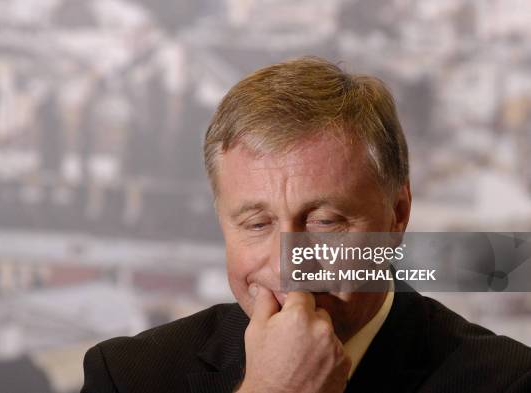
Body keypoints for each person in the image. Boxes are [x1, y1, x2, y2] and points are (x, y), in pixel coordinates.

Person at [80, 57, 531, 393]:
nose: (289, 264)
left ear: (398, 215)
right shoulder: (129, 375)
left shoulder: (508, 382)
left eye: (325, 221)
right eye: (256, 223)